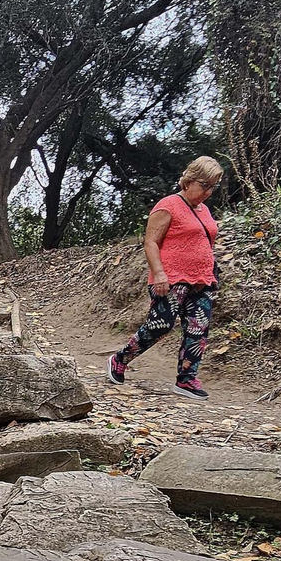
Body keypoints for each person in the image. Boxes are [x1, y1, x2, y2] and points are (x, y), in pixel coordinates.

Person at [106, 156, 224, 400]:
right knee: (160, 325)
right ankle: (120, 359)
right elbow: (150, 242)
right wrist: (159, 273)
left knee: (198, 328)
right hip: (171, 278)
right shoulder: (168, 205)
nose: (208, 192)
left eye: (212, 187)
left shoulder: (204, 210)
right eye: (204, 185)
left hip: (202, 279)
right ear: (189, 181)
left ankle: (187, 379)